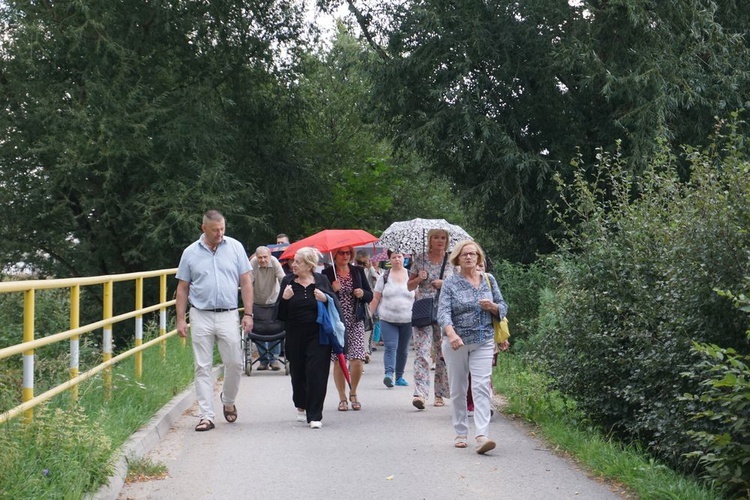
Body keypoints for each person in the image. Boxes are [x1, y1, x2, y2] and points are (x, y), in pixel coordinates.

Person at [175, 210, 253, 432]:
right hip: (200, 314)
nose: (220, 233)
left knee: (235, 362)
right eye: (215, 230)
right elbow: (182, 288)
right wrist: (181, 319)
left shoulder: (235, 247)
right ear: (204, 229)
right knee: (202, 366)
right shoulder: (190, 253)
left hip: (229, 313)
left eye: (222, 229)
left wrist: (248, 313)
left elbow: (246, 282)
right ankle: (206, 416)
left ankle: (228, 400)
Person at [438, 240, 508, 454]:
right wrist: (451, 334)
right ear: (457, 259)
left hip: (484, 340)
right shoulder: (450, 283)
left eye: (473, 254)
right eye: (464, 254)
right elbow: (443, 312)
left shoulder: (489, 279)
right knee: (458, 389)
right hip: (457, 343)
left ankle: (482, 435)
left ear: (479, 258)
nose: (469, 257)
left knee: (481, 386)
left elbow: (503, 305)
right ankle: (461, 432)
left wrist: (494, 307)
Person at [275, 246, 340, 429]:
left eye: (298, 262)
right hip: (295, 334)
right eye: (293, 261)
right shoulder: (287, 282)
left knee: (317, 373)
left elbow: (335, 305)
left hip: (318, 334)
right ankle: (301, 403)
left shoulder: (322, 280)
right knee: (298, 372)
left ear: (309, 264)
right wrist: (285, 299)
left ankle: (315, 414)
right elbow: (279, 314)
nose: (293, 265)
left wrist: (326, 299)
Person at [407, 228, 453, 410]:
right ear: (430, 240)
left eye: (443, 238)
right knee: (422, 352)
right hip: (423, 310)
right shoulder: (420, 259)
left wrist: (445, 284)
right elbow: (409, 286)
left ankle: (440, 394)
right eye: (436, 237)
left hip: (444, 310)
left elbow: (460, 285)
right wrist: (419, 278)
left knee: (443, 352)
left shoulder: (452, 260)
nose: (440, 241)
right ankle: (420, 393)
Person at [323, 246, 373, 411]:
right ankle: (342, 397)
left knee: (357, 360)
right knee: (339, 360)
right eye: (341, 253)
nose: (345, 256)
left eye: (347, 253)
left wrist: (362, 293)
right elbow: (321, 296)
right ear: (335, 255)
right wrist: (332, 290)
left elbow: (369, 295)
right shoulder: (327, 273)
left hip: (355, 319)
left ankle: (353, 391)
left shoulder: (357, 271)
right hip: (336, 321)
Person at [368, 249, 415, 388]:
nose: (397, 259)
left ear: (403, 258)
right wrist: (370, 314)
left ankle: (399, 376)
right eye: (394, 257)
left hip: (408, 319)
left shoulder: (411, 275)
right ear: (389, 259)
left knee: (403, 349)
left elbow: (418, 296)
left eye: (399, 256)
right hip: (387, 318)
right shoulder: (384, 276)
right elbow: (376, 297)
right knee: (390, 346)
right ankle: (389, 373)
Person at [249, 246, 286, 370]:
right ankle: (263, 360)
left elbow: (282, 279)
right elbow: (248, 283)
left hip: (273, 300)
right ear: (256, 257)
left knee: (275, 330)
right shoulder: (252, 263)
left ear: (269, 256)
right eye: (260, 257)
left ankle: (274, 359)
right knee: (258, 330)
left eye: (265, 257)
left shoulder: (275, 262)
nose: (263, 260)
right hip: (257, 301)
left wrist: (285, 296)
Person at [355, 250, 382, 356]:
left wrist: (370, 268)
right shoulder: (354, 270)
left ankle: (366, 350)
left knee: (368, 326)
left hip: (369, 300)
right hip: (356, 302)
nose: (361, 265)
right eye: (359, 262)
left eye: (364, 262)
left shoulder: (371, 271)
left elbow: (378, 282)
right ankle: (363, 350)